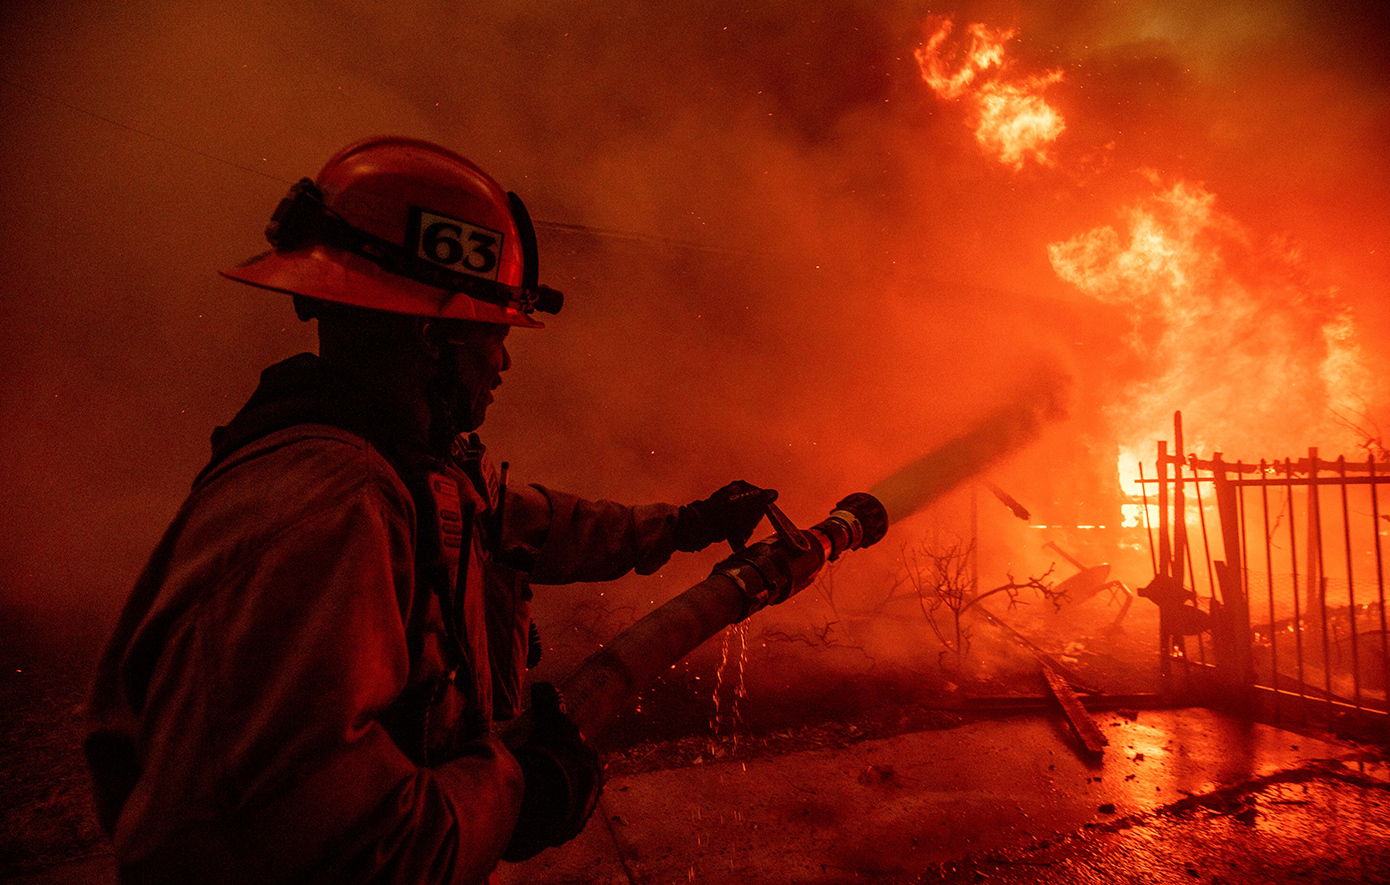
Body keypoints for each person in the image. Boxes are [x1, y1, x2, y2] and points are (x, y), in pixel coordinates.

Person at [84, 136, 776, 884]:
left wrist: (689, 524)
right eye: (495, 333)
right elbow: (349, 852)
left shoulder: (405, 471)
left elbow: (540, 526)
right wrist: (516, 789)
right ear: (433, 335)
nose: (503, 363)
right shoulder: (328, 514)